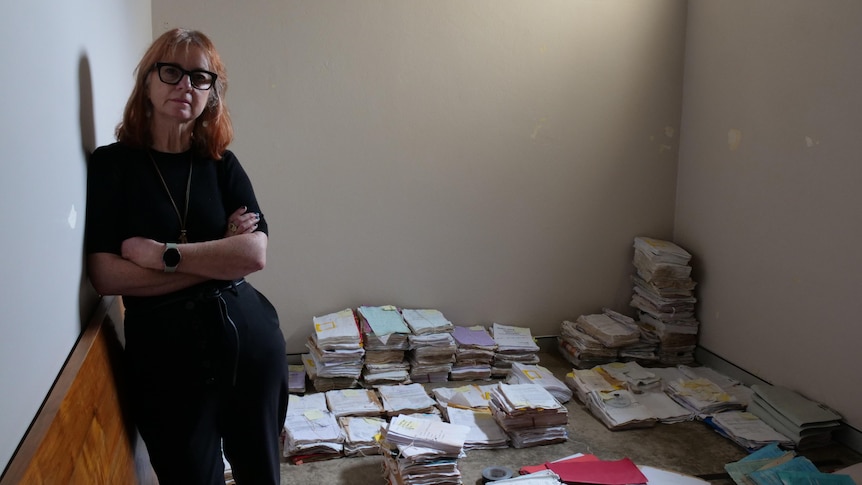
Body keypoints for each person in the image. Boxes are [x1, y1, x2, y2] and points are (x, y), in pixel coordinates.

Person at [85, 28, 288, 485]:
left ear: (212, 95)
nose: (186, 86)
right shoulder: (112, 165)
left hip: (252, 350)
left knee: (262, 476)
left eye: (201, 78)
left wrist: (161, 255)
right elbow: (105, 273)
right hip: (165, 363)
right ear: (148, 82)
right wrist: (216, 256)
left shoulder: (221, 164)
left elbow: (254, 253)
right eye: (173, 71)